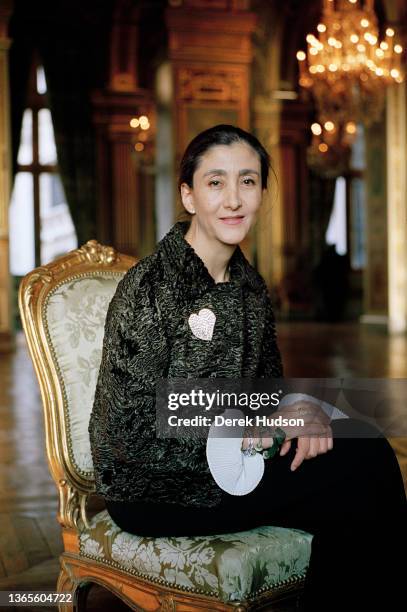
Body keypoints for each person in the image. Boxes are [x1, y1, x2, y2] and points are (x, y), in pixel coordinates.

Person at [88, 124, 407, 611]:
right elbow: (131, 434)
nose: (233, 199)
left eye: (249, 181)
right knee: (361, 467)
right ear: (189, 195)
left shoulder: (250, 288)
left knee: (363, 459)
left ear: (261, 192)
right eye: (216, 182)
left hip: (236, 463)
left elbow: (266, 391)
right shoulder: (149, 286)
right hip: (155, 487)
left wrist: (299, 408)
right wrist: (261, 423)